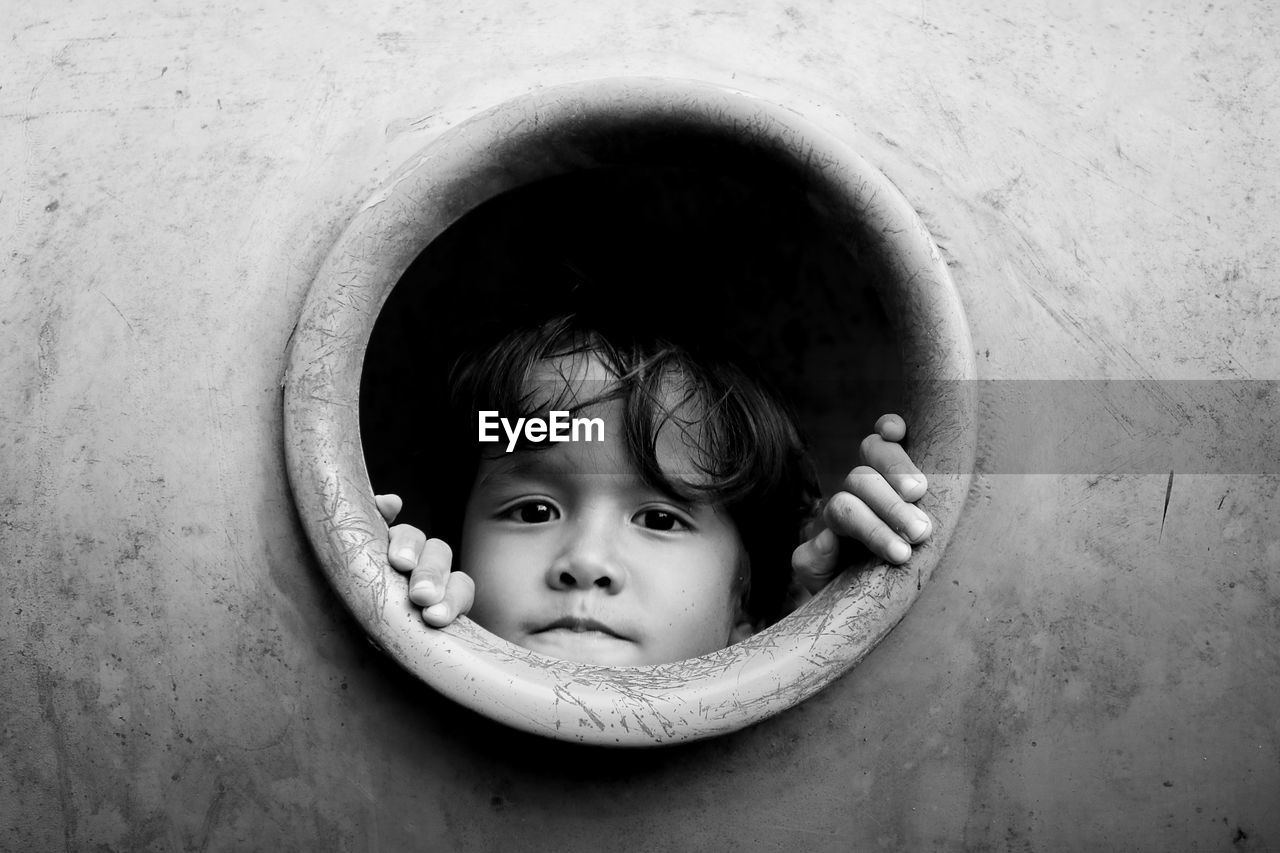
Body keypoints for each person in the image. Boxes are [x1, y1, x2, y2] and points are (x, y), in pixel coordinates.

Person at [374, 314, 931, 666]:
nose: (586, 562)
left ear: (748, 604)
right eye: (534, 510)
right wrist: (379, 609)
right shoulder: (405, 633)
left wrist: (838, 623)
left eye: (660, 519)